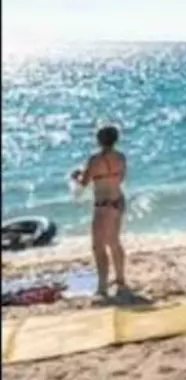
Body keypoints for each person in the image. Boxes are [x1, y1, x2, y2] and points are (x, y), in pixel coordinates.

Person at [71, 125, 129, 301]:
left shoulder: (95, 160)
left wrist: (75, 176)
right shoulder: (121, 157)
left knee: (98, 246)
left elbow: (83, 184)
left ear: (99, 140)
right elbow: (121, 178)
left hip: (102, 205)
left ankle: (102, 287)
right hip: (118, 200)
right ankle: (120, 279)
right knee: (114, 242)